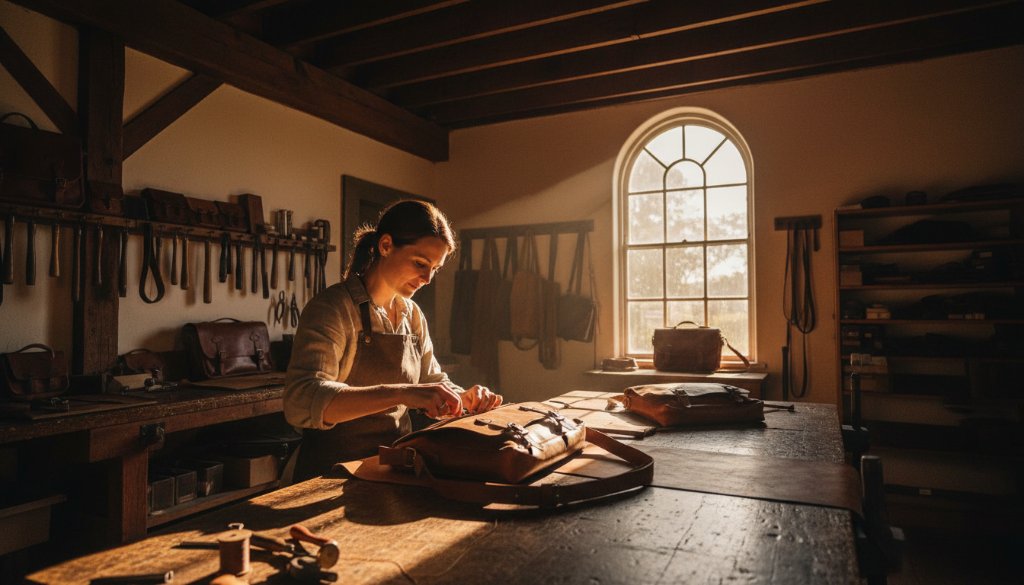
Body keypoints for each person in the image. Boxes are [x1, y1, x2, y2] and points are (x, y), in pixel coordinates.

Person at [284, 199, 503, 480]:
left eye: (435, 269)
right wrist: (402, 393)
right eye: (420, 263)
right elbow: (301, 400)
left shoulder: (411, 315)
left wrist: (461, 397)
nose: (427, 278)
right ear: (386, 246)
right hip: (328, 474)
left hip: (393, 469)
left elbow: (429, 380)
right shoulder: (333, 309)